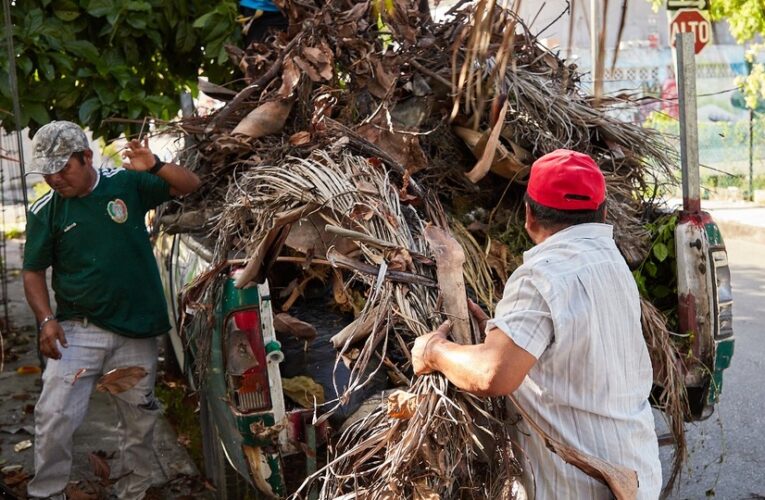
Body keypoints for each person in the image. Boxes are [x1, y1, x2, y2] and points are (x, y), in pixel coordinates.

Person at [412, 149, 662, 499]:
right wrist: (503, 336)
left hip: (579, 489)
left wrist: (434, 351)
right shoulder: (611, 262)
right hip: (635, 475)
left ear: (528, 215)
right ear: (602, 212)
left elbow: (491, 375)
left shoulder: (541, 275)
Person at [22, 121, 201, 500]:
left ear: (86, 157)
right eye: (47, 171)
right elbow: (33, 272)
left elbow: (190, 186)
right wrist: (46, 320)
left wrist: (154, 165)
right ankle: (47, 493)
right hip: (77, 329)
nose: (54, 178)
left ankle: (132, 492)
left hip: (135, 330)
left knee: (139, 421)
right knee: (54, 415)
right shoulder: (45, 210)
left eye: (63, 168)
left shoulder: (125, 184)